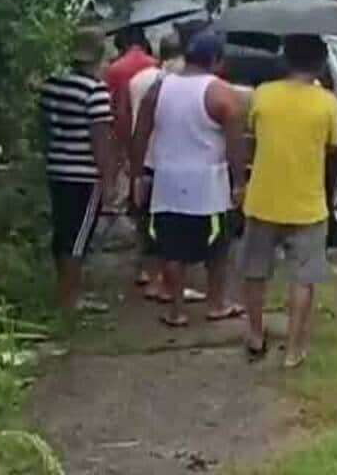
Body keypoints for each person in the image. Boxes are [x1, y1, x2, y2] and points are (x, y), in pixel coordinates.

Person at [240, 34, 337, 367]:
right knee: (303, 278)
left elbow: (252, 136)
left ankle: (256, 336)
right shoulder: (328, 103)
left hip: (263, 199)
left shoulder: (262, 95)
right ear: (320, 63)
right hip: (307, 204)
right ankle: (294, 349)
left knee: (256, 272)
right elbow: (332, 146)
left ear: (285, 58)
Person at [132, 31, 245, 328]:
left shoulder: (159, 88)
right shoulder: (220, 93)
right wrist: (239, 182)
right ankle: (216, 303)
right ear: (217, 60)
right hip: (209, 185)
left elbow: (140, 134)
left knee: (172, 249)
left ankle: (176, 310)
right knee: (217, 249)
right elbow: (235, 143)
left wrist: (137, 175)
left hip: (167, 182)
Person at [39, 27, 116, 313]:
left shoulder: (52, 84)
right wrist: (108, 181)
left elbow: (43, 128)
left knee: (62, 231)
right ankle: (70, 299)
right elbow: (100, 139)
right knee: (78, 238)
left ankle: (65, 292)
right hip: (83, 173)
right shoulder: (94, 91)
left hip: (57, 168)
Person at [103, 25, 158, 289]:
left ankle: (144, 263)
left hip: (130, 145)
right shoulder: (156, 67)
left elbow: (116, 114)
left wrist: (118, 152)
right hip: (158, 147)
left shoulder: (115, 71)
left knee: (137, 205)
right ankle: (158, 263)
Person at [127, 33, 178, 300]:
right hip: (166, 161)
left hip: (143, 157)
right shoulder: (176, 84)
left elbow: (125, 118)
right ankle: (164, 280)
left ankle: (142, 270)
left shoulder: (137, 80)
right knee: (165, 224)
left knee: (142, 219)